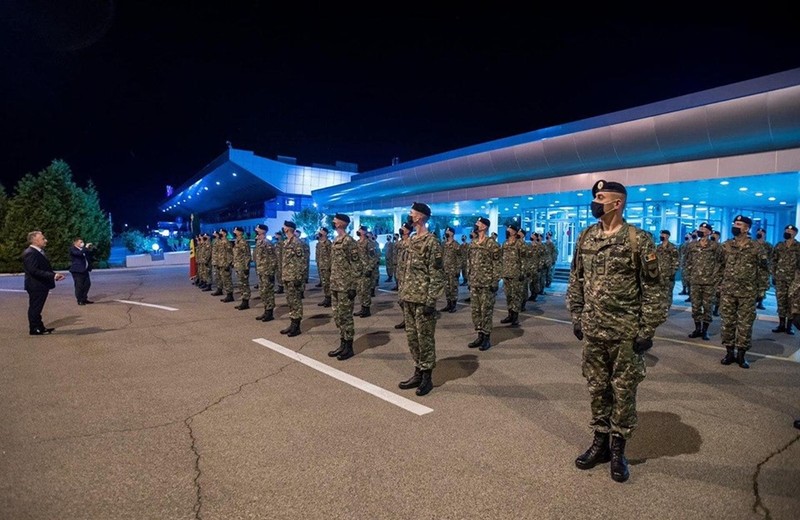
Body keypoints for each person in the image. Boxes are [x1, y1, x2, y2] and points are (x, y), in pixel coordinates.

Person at [567, 180, 666, 483]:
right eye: (595, 197)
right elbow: (576, 278)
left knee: (623, 391)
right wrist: (576, 316)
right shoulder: (586, 236)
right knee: (597, 388)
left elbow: (654, 288)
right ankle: (600, 443)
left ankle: (618, 449)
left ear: (617, 203)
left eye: (601, 197)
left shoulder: (639, 240)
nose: (595, 202)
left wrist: (647, 328)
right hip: (594, 329)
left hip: (625, 332)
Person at [397, 202, 445, 396]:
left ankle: (427, 377)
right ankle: (418, 370)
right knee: (412, 338)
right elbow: (405, 270)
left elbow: (436, 274)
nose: (410, 214)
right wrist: (402, 294)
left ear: (421, 216)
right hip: (408, 296)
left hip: (423, 299)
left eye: (413, 212)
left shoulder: (431, 242)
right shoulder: (412, 239)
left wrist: (431, 300)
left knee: (424, 339)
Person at [719, 215, 769, 368]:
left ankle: (741, 354)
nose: (735, 225)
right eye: (735, 223)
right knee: (727, 322)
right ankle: (729, 352)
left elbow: (763, 270)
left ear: (747, 228)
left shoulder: (756, 247)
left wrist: (761, 291)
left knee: (745, 324)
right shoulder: (726, 245)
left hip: (748, 292)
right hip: (728, 290)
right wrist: (718, 285)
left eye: (739, 224)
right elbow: (719, 266)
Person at [326, 213, 362, 361]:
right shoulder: (336, 240)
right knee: (338, 316)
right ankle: (342, 343)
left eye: (335, 220)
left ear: (341, 223)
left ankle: (349, 347)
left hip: (345, 286)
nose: (333, 222)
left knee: (346, 317)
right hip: (335, 284)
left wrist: (353, 286)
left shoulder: (349, 241)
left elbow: (356, 265)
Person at [467, 216, 502, 351]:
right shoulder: (473, 243)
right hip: (475, 282)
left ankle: (486, 337)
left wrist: (495, 280)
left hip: (487, 283)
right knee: (475, 311)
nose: (476, 224)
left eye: (479, 223)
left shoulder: (492, 244)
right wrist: (470, 279)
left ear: (484, 226)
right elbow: (469, 262)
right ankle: (479, 335)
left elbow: (497, 263)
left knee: (486, 311)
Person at [23, 230, 66, 335]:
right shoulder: (30, 253)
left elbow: (42, 268)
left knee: (37, 307)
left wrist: (53, 276)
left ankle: (40, 327)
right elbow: (34, 271)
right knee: (35, 307)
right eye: (43, 239)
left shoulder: (37, 252)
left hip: (40, 284)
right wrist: (53, 275)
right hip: (36, 285)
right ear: (35, 240)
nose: (45, 240)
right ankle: (34, 328)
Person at [684, 223, 722, 341]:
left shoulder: (715, 246)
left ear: (710, 232)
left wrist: (717, 279)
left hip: (709, 282)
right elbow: (688, 262)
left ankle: (705, 331)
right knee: (695, 307)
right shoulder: (692, 246)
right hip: (695, 281)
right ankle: (697, 328)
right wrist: (688, 277)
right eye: (700, 229)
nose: (702, 231)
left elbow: (720, 263)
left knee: (707, 307)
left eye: (704, 229)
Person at [771, 225, 800, 334]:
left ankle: (789, 326)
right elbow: (773, 261)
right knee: (781, 301)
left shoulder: (798, 247)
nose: (787, 232)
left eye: (789, 231)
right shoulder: (779, 246)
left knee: (792, 302)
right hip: (780, 278)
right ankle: (781, 324)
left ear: (795, 233)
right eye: (786, 230)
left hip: (794, 280)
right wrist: (773, 275)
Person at [280, 221, 305, 337]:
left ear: (288, 229)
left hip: (294, 277)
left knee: (296, 301)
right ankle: (292, 323)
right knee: (290, 301)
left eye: (284, 227)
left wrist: (299, 277)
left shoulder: (297, 242)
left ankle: (297, 326)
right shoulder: (286, 242)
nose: (283, 228)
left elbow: (302, 261)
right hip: (287, 276)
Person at [500, 223, 524, 327]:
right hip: (506, 273)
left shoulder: (520, 244)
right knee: (508, 295)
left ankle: (515, 317)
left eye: (509, 229)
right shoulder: (504, 243)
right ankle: (510, 314)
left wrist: (522, 272)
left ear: (514, 231)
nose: (507, 230)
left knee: (516, 296)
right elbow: (501, 258)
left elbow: (524, 259)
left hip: (516, 274)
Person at [253, 224, 278, 322]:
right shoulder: (259, 242)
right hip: (261, 270)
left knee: (268, 292)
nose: (256, 231)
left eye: (257, 229)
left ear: (262, 231)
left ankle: (269, 313)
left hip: (267, 271)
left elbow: (273, 258)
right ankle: (266, 310)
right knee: (263, 292)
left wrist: (271, 272)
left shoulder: (267, 243)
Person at [655, 230, 679, 309]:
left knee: (668, 292)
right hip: (659, 274)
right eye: (661, 234)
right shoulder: (658, 247)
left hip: (668, 274)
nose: (661, 235)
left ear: (668, 236)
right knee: (659, 291)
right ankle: (660, 307)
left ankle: (667, 308)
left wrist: (672, 272)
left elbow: (676, 261)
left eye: (663, 234)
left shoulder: (673, 247)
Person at [440, 226, 461, 313]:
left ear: (452, 233)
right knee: (447, 288)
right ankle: (448, 304)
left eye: (448, 231)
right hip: (445, 270)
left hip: (453, 270)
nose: (446, 232)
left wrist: (458, 269)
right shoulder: (444, 244)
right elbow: (442, 256)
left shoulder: (456, 245)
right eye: (446, 231)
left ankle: (453, 305)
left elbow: (460, 258)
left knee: (453, 288)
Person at [69, 236, 94, 305]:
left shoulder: (83, 249)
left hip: (84, 270)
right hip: (77, 271)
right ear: (75, 243)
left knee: (87, 284)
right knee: (79, 286)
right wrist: (85, 248)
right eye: (80, 242)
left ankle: (84, 298)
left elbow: (88, 256)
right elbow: (79, 254)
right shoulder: (73, 249)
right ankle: (79, 300)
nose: (82, 243)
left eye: (82, 242)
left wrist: (88, 249)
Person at [232, 226, 252, 309]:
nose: (234, 231)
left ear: (240, 232)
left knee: (244, 284)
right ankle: (243, 301)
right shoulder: (237, 241)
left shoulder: (243, 242)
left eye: (235, 230)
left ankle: (246, 302)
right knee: (241, 284)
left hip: (242, 266)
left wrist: (246, 267)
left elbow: (247, 255)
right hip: (238, 266)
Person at [754, 229, 772, 310]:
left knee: (762, 287)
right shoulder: (752, 243)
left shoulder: (768, 245)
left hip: (764, 270)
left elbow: (772, 257)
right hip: (753, 269)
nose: (759, 234)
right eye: (758, 233)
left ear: (764, 234)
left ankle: (760, 302)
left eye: (761, 233)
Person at [316, 227, 333, 307]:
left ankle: (329, 299)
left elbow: (331, 255)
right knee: (324, 283)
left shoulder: (328, 243)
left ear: (325, 233)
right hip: (321, 265)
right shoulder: (319, 243)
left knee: (328, 283)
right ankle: (326, 297)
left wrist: (330, 266)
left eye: (322, 231)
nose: (320, 232)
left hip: (327, 266)